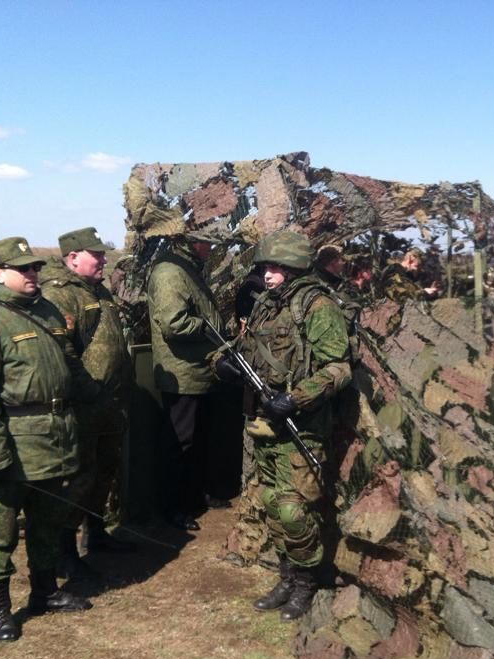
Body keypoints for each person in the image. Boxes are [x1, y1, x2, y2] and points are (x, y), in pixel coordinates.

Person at [0, 237, 91, 642]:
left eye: (35, 267)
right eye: (23, 268)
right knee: (0, 531)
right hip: (11, 442)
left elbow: (69, 363)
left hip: (53, 440)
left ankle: (44, 592)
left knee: (47, 521)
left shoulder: (48, 311)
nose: (33, 273)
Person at [215, 230, 351, 620]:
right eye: (265, 268)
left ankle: (306, 582)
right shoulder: (265, 305)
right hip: (264, 421)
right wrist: (221, 364)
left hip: (300, 426)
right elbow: (241, 348)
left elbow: (338, 368)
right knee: (272, 504)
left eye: (275, 268)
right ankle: (287, 577)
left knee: (294, 511)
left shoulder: (317, 306)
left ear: (294, 268)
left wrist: (295, 398)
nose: (267, 275)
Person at [40, 227, 134, 578]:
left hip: (109, 402)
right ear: (73, 258)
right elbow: (61, 350)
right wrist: (87, 390)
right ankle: (63, 550)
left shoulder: (98, 290)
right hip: (83, 405)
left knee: (105, 470)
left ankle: (95, 533)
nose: (104, 260)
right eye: (97, 255)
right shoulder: (61, 294)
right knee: (78, 477)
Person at [147, 233, 225, 530]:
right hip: (182, 373)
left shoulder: (186, 268)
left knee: (198, 439)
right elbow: (174, 324)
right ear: (194, 243)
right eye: (208, 242)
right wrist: (210, 327)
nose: (212, 247)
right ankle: (173, 507)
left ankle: (194, 497)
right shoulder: (170, 272)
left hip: (198, 369)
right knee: (180, 442)